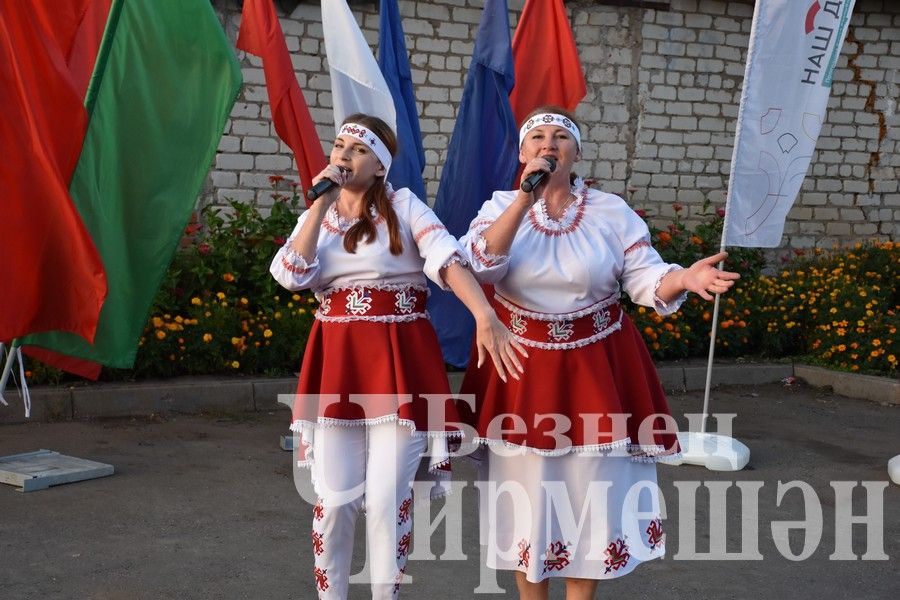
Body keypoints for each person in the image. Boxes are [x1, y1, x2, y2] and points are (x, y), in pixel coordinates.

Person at [457, 106, 739, 600]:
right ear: (523, 153)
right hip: (521, 368)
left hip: (596, 367)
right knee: (528, 494)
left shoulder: (611, 212)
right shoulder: (499, 207)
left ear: (577, 152)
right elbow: (479, 265)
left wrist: (685, 279)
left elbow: (646, 277)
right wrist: (524, 201)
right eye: (538, 138)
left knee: (591, 491)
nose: (549, 145)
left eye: (560, 137)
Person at [269, 113, 525, 600]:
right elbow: (289, 274)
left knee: (387, 499)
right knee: (336, 500)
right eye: (340, 145)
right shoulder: (318, 216)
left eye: (358, 149)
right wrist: (321, 207)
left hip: (402, 367)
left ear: (381, 166)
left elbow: (446, 262)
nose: (344, 155)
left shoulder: (405, 207)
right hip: (337, 368)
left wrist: (483, 316)